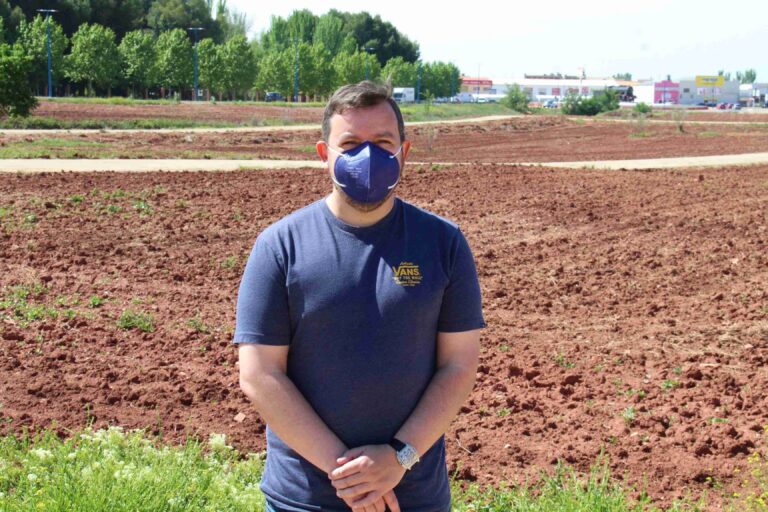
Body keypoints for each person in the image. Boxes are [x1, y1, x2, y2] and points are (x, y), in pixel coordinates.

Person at [233, 80, 485, 512]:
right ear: (324, 154)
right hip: (304, 500)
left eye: (383, 143)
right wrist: (352, 475)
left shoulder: (444, 243)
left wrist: (399, 458)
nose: (367, 157)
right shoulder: (280, 246)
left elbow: (459, 366)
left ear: (404, 153)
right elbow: (259, 374)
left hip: (414, 497)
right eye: (350, 144)